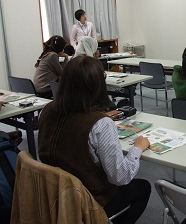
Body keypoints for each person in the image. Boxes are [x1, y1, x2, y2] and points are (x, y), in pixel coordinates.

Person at [38, 56, 151, 224]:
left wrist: (98, 116)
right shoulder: (101, 125)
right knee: (144, 188)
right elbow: (120, 176)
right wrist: (138, 148)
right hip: (91, 200)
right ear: (97, 85)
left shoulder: (46, 111)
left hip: (56, 194)